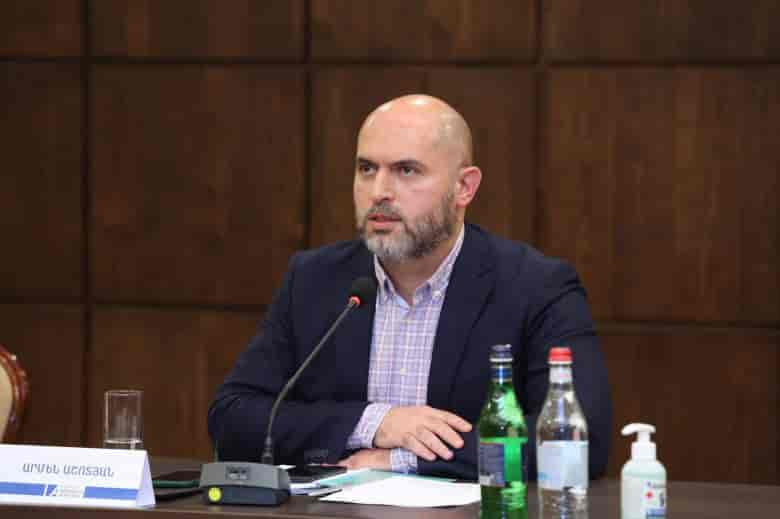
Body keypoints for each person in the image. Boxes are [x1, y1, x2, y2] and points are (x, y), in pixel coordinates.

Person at [208, 95, 612, 479]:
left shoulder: (535, 287)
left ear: (464, 187)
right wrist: (375, 422)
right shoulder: (315, 280)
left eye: (406, 171)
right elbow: (233, 418)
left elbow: (578, 440)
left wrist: (402, 460)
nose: (379, 192)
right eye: (367, 169)